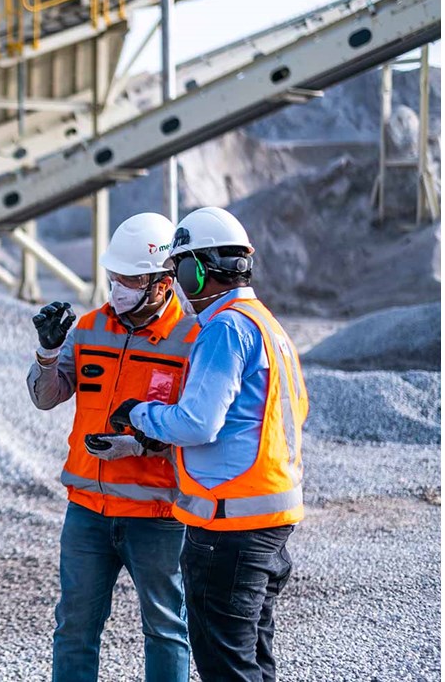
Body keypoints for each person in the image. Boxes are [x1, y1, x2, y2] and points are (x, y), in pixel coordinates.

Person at [109, 206, 309, 682]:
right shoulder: (265, 324)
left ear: (197, 270)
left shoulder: (224, 329)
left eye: (178, 268)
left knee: (226, 669)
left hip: (230, 526)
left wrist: (140, 413)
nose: (176, 281)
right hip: (270, 521)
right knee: (253, 662)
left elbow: (198, 424)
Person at [26, 211, 199, 682]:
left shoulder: (191, 341)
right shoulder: (88, 328)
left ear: (164, 283)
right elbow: (46, 398)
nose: (117, 288)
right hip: (87, 511)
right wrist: (46, 351)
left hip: (157, 518)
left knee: (165, 628)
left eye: (129, 280)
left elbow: (200, 431)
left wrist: (139, 447)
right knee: (75, 628)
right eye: (114, 278)